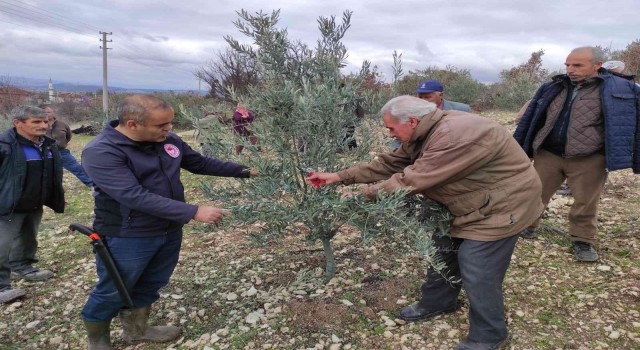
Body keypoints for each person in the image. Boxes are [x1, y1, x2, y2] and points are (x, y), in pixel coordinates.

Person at [308, 95, 543, 350]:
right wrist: (340, 177)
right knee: (442, 251)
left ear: (411, 121)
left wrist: (358, 196)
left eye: (391, 128)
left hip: (501, 206)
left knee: (478, 268)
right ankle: (439, 301)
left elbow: (411, 180)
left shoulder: (455, 135)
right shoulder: (425, 131)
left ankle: (489, 334)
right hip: (464, 203)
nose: (390, 133)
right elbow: (392, 163)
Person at [80, 95, 257, 349]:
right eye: (161, 125)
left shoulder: (167, 140)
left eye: (170, 123)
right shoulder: (102, 151)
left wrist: (246, 171)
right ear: (132, 125)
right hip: (127, 233)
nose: (169, 129)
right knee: (115, 287)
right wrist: (193, 211)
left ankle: (137, 329)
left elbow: (199, 163)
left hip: (168, 228)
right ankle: (97, 339)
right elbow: (133, 196)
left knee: (152, 280)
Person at [514, 46, 640, 262]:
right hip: (548, 153)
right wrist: (522, 145)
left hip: (590, 157)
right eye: (568, 64)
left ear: (596, 66)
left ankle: (583, 240)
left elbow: (633, 122)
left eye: (577, 65)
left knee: (586, 202)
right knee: (535, 193)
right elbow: (533, 115)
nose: (570, 69)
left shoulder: (621, 89)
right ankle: (526, 227)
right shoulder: (554, 86)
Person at [0, 106, 64, 303]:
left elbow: (50, 173)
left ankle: (23, 267)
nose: (43, 125)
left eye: (45, 121)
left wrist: (54, 194)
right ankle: (2, 286)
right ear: (17, 123)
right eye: (36, 122)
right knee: (2, 245)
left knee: (29, 237)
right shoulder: (4, 145)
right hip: (6, 205)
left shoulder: (47, 144)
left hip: (34, 202)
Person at [391, 79, 472, 149]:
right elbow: (401, 136)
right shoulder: (411, 112)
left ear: (441, 95)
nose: (422, 101)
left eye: (427, 97)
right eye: (420, 97)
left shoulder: (462, 109)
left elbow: (469, 134)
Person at [42, 105, 93, 187]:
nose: (47, 114)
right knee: (46, 171)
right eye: (44, 112)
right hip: (45, 152)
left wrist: (62, 144)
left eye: (48, 112)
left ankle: (92, 183)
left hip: (62, 152)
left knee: (77, 168)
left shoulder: (62, 124)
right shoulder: (40, 124)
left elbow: (68, 136)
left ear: (53, 113)